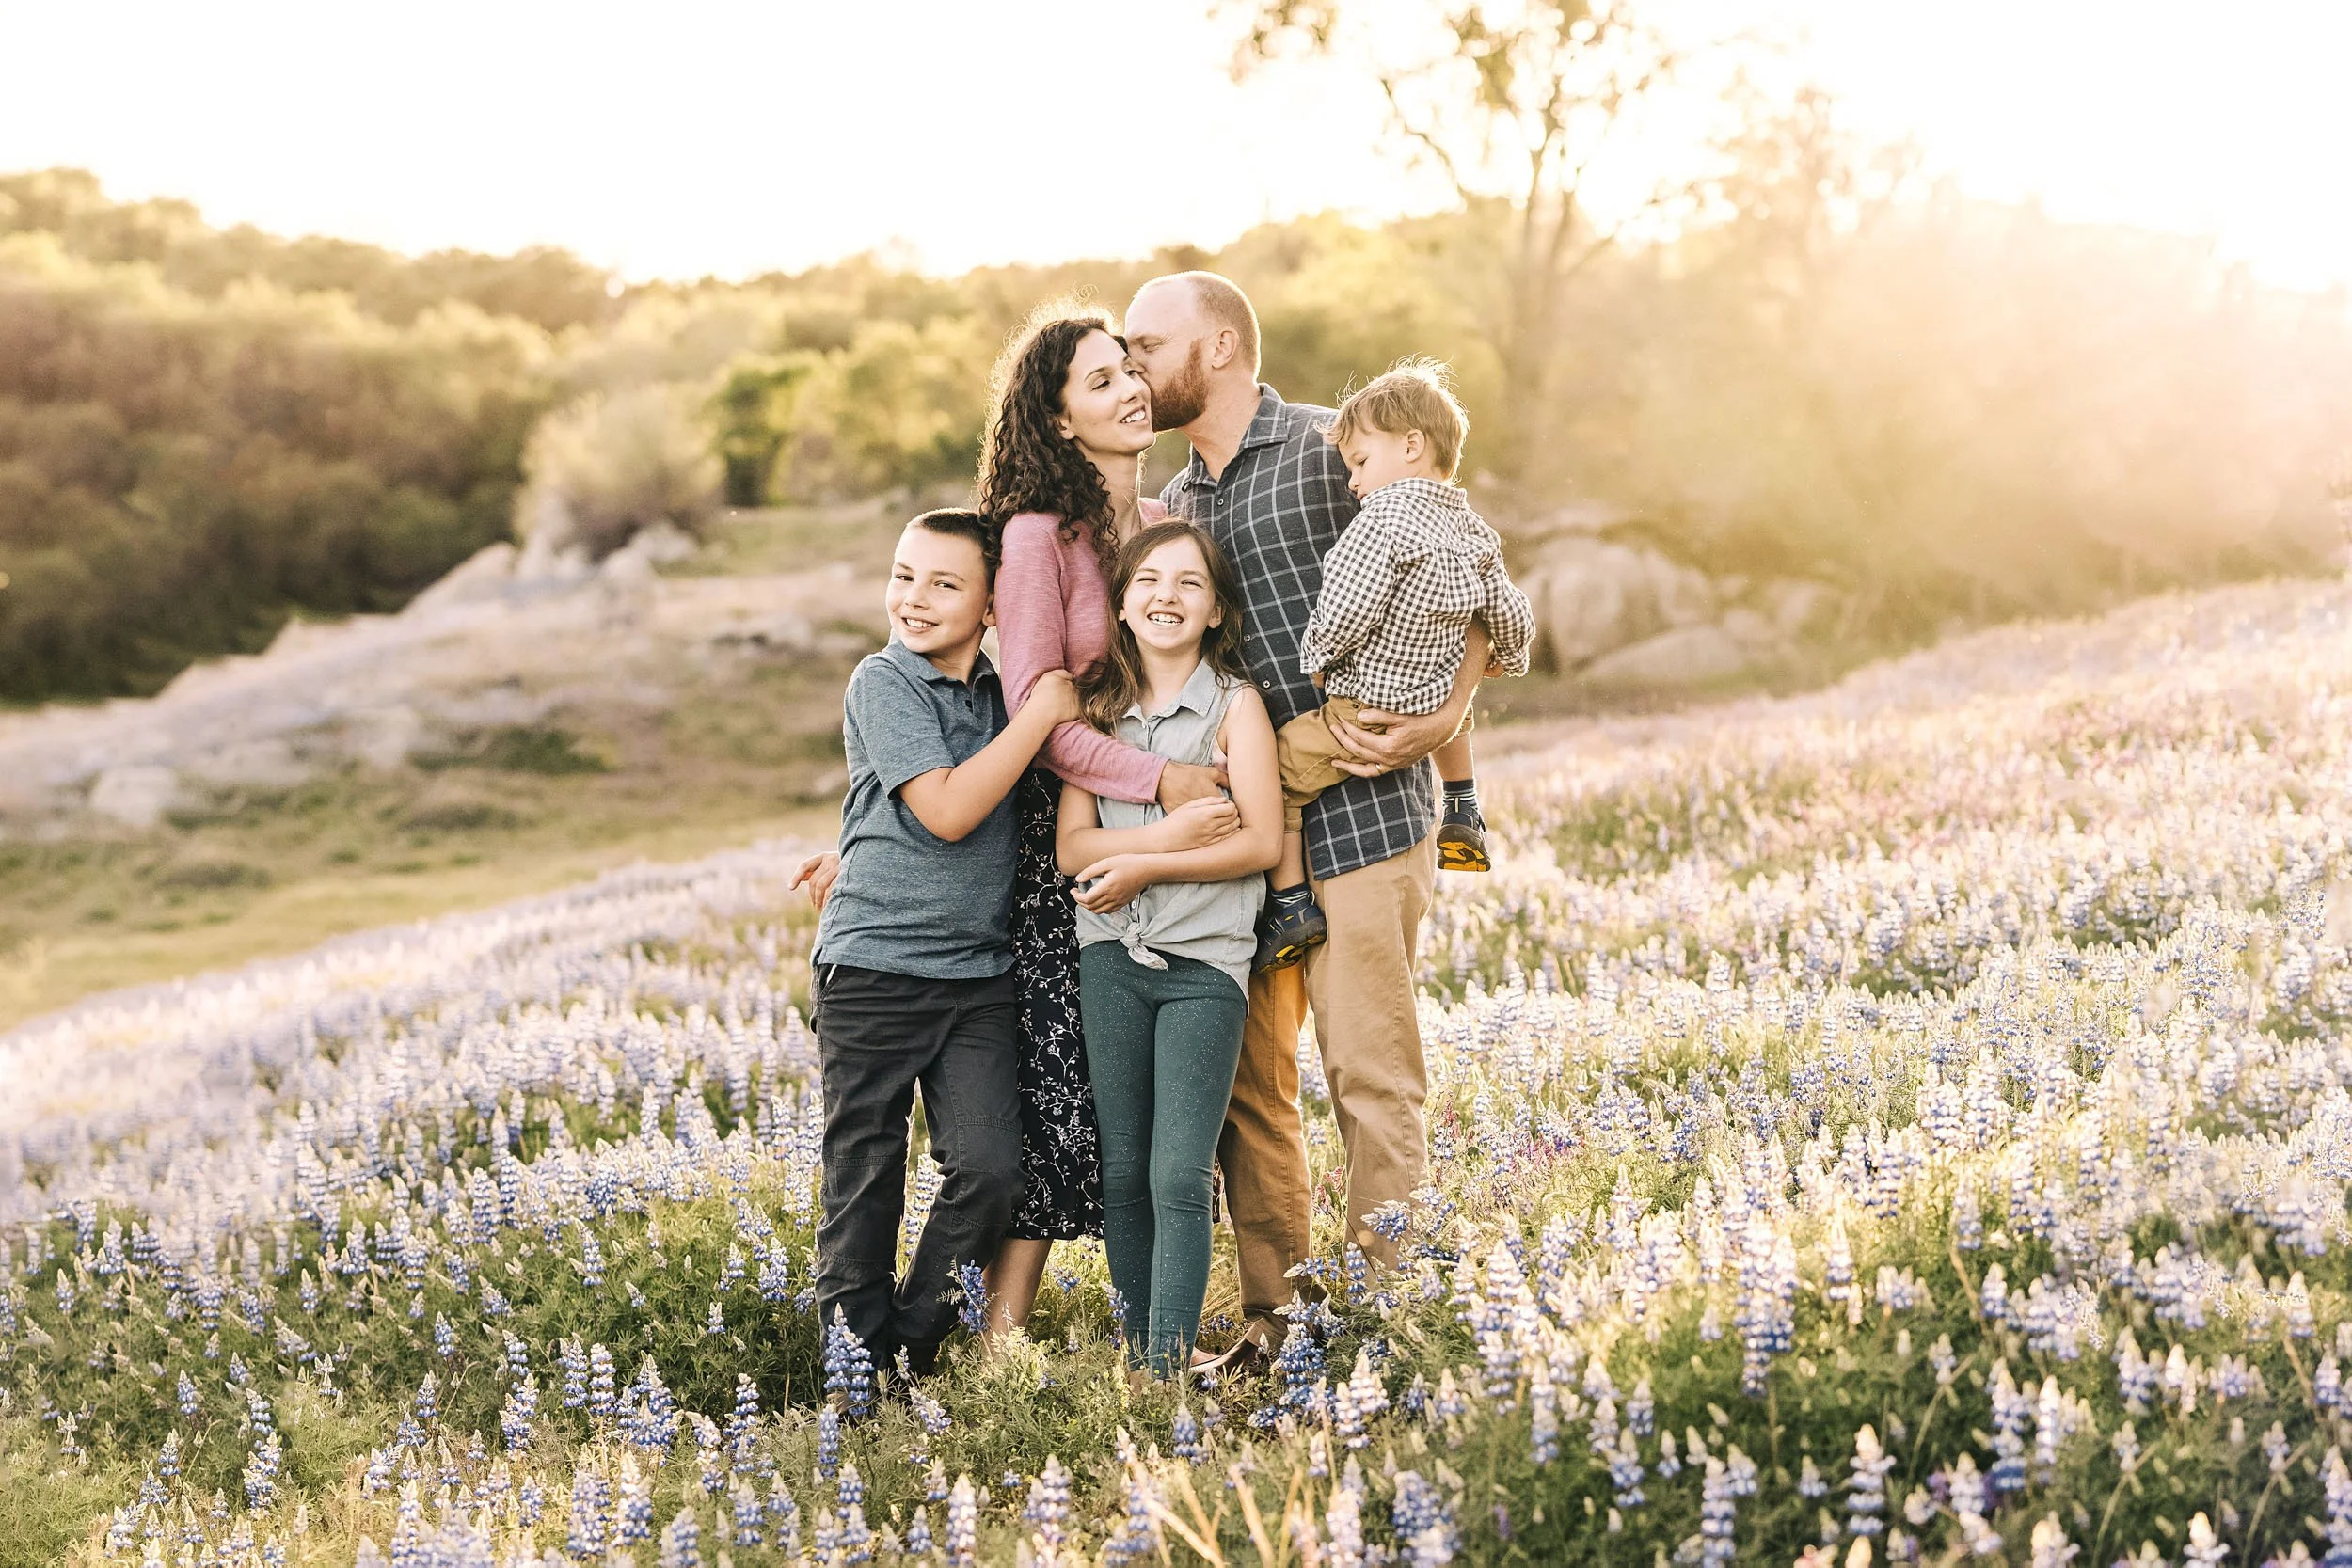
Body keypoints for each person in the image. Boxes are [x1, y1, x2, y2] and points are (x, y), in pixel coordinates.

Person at [1122, 271, 1490, 1366]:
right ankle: (1278, 1321)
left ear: (1223, 344)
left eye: (1151, 342)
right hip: (1250, 837)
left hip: (1371, 809)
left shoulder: (1342, 448)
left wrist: (1450, 710)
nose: (1135, 361)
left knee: (1372, 1074)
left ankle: (1395, 1313)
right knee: (1250, 1091)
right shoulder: (1176, 507)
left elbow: (1468, 573)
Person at [803, 506, 1080, 1374]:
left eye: (944, 583)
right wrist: (1040, 720)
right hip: (876, 971)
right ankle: (856, 1383)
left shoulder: (1002, 692)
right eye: (903, 575)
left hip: (976, 980)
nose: (913, 599)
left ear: (993, 603)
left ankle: (909, 1348)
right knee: (867, 1182)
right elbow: (951, 810)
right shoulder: (881, 682)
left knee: (992, 1170)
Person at [1056, 521, 1280, 1378]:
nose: (1166, 597)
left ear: (1216, 609)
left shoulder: (1236, 708)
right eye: (1149, 579)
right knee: (1121, 1175)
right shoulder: (1095, 713)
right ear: (1120, 600)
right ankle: (1142, 1360)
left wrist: (1146, 859)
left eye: (1190, 584)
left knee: (1178, 1172)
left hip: (1202, 967)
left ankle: (1166, 1370)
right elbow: (1073, 846)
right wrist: (1151, 846)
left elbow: (1260, 841)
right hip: (1109, 955)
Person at [1256, 358, 1535, 971]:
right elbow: (1510, 612)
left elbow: (1349, 599)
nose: (1353, 480)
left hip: (1363, 707)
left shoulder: (1379, 520)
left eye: (1360, 462)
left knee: (1274, 773)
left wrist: (1320, 656)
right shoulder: (1473, 528)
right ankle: (1462, 805)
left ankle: (1292, 901)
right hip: (1435, 697)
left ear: (1411, 446)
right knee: (1452, 706)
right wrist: (1508, 657)